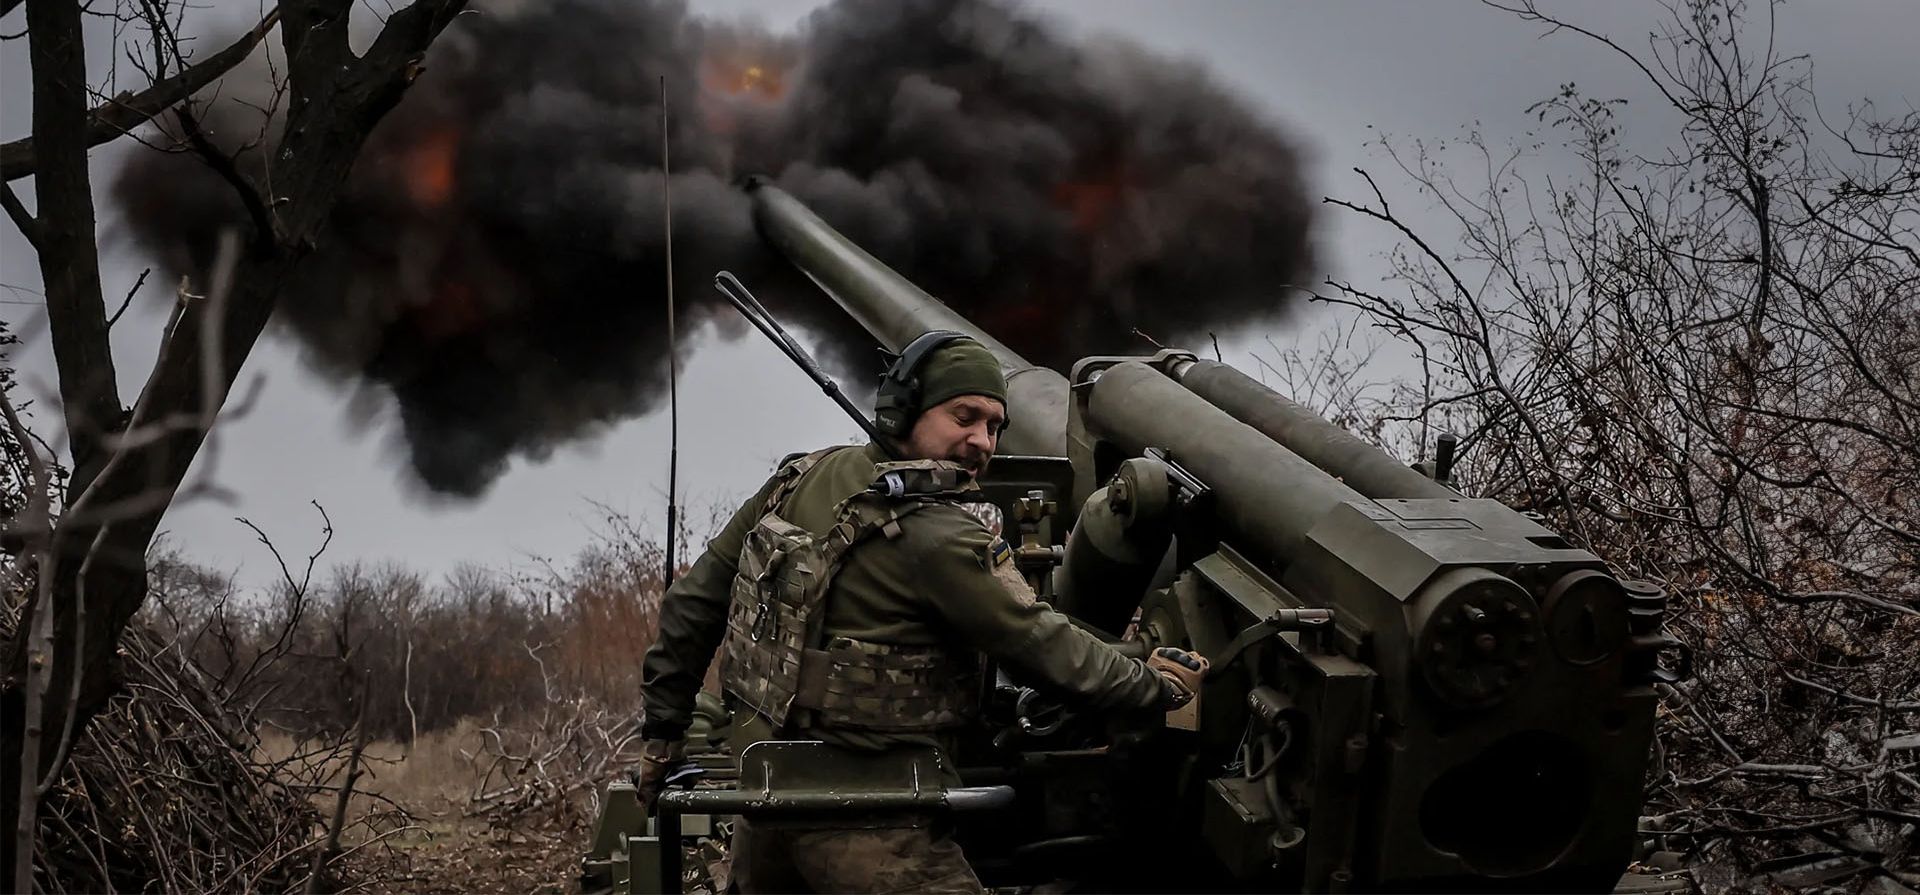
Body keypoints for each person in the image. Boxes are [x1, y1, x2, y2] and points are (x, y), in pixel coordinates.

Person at [636, 330, 1211, 894]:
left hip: (765, 796)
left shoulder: (798, 476)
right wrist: (1154, 685)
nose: (983, 442)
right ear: (902, 411)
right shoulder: (938, 534)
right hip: (873, 818)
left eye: (994, 427)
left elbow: (693, 606)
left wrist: (662, 734)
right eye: (965, 418)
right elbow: (1041, 646)